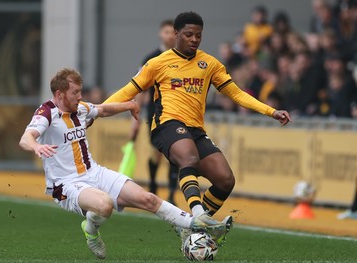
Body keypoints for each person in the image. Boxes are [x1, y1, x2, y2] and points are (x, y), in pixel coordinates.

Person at [103, 12, 291, 246]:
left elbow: (237, 94)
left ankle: (191, 228)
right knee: (188, 157)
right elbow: (128, 91)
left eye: (198, 35)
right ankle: (197, 215)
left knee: (225, 180)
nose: (194, 39)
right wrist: (97, 110)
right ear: (176, 34)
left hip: (195, 130)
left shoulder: (209, 64)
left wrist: (270, 111)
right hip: (166, 125)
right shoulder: (158, 63)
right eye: (189, 34)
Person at [19, 68, 229, 259]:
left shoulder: (80, 109)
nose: (80, 96)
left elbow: (102, 110)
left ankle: (196, 224)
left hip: (94, 172)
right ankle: (91, 230)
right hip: (65, 184)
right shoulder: (46, 113)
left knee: (148, 199)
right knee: (104, 205)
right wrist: (36, 146)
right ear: (59, 95)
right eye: (75, 92)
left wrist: (129, 105)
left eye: (80, 91)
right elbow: (26, 138)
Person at [132, 19, 179, 205]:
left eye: (172, 32)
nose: (169, 35)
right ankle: (152, 185)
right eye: (166, 32)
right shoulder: (151, 58)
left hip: (176, 113)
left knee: (175, 155)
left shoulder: (181, 57)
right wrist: (136, 112)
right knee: (156, 153)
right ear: (161, 34)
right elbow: (141, 88)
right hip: (155, 114)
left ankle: (172, 194)